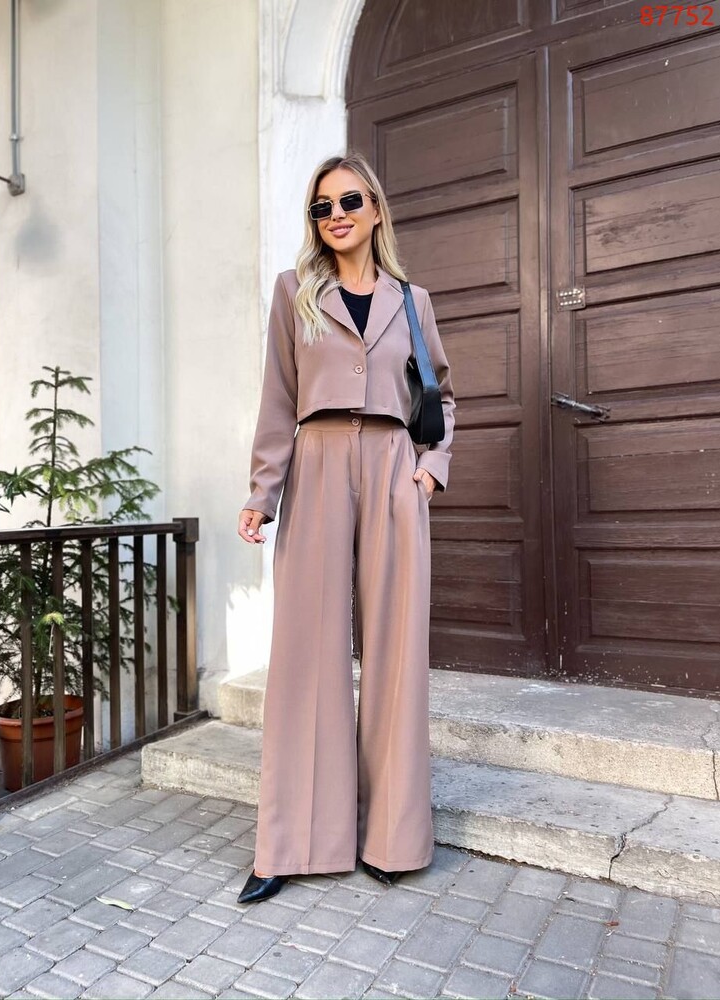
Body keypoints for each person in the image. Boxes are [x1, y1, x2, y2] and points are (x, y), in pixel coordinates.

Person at [236, 152, 455, 904]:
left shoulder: (412, 301)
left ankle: (393, 836)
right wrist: (263, 492)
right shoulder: (294, 292)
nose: (336, 216)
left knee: (397, 650)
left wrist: (432, 467)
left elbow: (441, 393)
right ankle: (291, 842)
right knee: (307, 652)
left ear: (376, 210)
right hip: (318, 461)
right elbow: (277, 398)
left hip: (394, 465)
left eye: (349, 201)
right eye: (321, 207)